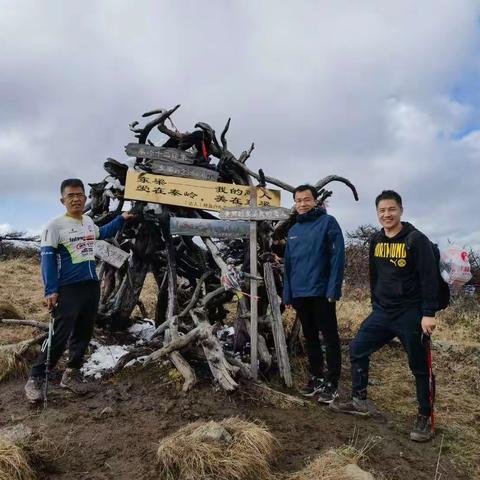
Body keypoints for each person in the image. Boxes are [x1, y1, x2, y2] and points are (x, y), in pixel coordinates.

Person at [330, 190, 438, 442]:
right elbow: (373, 274)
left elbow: (429, 277)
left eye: (391, 209)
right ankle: (359, 400)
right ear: (377, 213)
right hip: (383, 312)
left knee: (419, 366)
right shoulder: (376, 240)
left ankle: (424, 416)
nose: (387, 214)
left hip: (411, 314)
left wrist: (428, 313)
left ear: (401, 210)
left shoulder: (415, 239)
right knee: (357, 348)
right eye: (382, 210)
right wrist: (376, 303)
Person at [24, 178, 133, 402]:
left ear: (85, 197)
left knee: (84, 331)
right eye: (71, 195)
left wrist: (121, 219)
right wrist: (50, 290)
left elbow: (101, 233)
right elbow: (47, 260)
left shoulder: (88, 221)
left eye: (79, 195)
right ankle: (36, 378)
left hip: (91, 285)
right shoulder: (54, 226)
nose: (76, 199)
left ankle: (71, 374)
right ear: (62, 200)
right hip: (68, 287)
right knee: (60, 334)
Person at [283, 184, 345, 403]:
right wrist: (288, 295)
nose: (302, 204)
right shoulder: (293, 231)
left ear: (316, 200)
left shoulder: (328, 223)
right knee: (310, 338)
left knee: (329, 338)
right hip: (300, 293)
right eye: (298, 200)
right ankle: (317, 376)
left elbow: (338, 258)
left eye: (306, 199)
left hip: (321, 291)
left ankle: (332, 382)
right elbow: (288, 266)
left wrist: (333, 289)